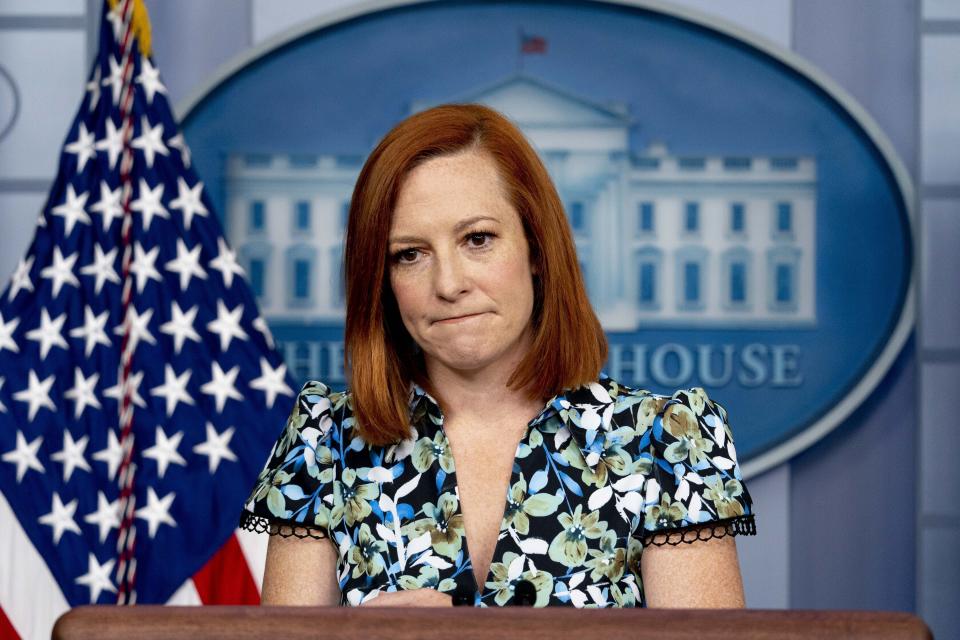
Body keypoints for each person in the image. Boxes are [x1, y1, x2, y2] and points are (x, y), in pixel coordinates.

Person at [239, 103, 756, 608]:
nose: (448, 284)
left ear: (536, 249)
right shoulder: (324, 443)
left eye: (477, 239)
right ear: (382, 280)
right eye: (410, 254)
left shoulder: (665, 442)